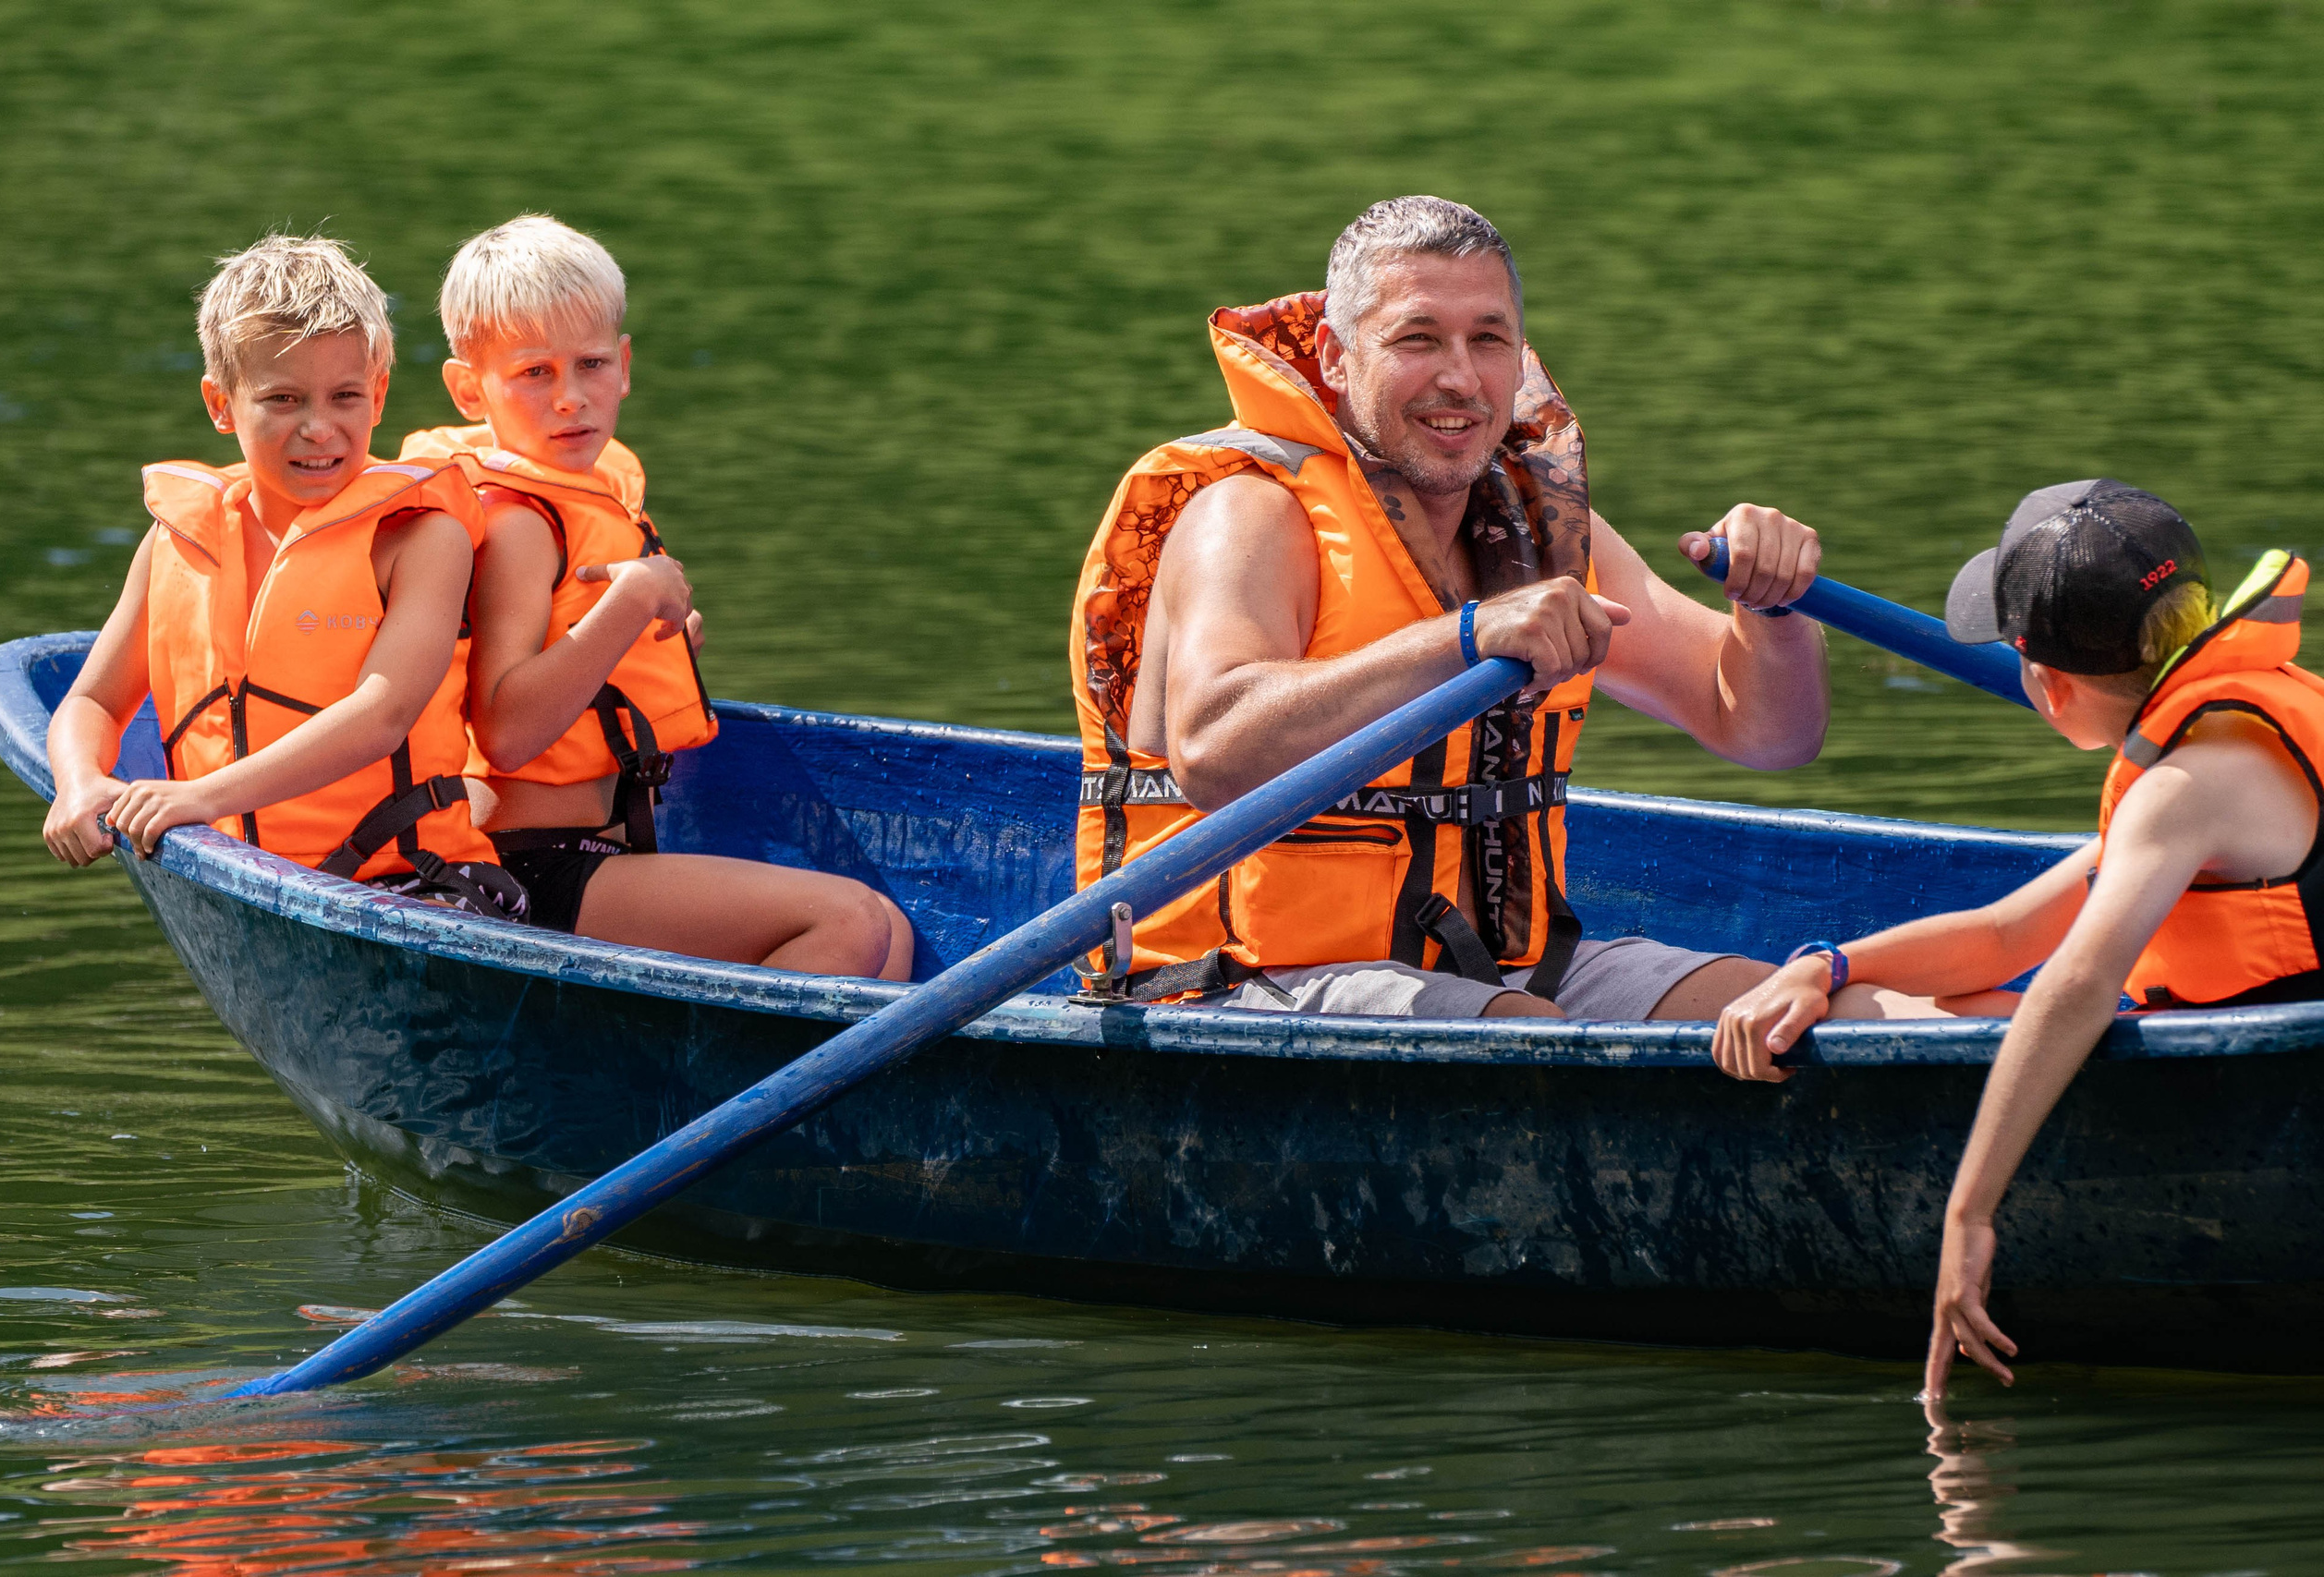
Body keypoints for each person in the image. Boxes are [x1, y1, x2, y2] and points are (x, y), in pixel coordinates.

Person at [1069, 194, 1857, 1021]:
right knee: (1528, 1034)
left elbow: (1770, 734)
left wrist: (1773, 612)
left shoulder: (1540, 529)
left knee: (1808, 1007)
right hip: (1240, 982)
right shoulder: (1251, 513)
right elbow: (1212, 749)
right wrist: (1468, 638)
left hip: (1506, 967)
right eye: (1418, 339)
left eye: (1488, 339)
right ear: (1336, 356)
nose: (1460, 377)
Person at [1706, 479, 2320, 1395]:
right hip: (2261, 1049)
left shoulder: (2177, 792)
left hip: (2254, 1096)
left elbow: (2073, 984)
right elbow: (2006, 935)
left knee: (1887, 1015)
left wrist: (1968, 1216)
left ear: (2049, 685)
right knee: (1898, 992)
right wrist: (1828, 964)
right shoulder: (2258, 715)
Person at [400, 215, 911, 977]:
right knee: (854, 920)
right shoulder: (518, 523)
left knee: (891, 931)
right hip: (530, 868)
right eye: (534, 373)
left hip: (600, 853)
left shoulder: (583, 496)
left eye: (591, 364)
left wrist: (645, 645)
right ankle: (734, 1065)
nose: (570, 397)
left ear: (625, 365)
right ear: (469, 389)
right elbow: (505, 731)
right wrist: (632, 603)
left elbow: (574, 657)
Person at [42, 233, 525, 918]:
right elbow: (92, 701)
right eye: (284, 399)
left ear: (379, 395)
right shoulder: (175, 540)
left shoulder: (420, 537)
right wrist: (79, 780)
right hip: (235, 875)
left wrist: (201, 797)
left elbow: (384, 716)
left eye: (345, 396)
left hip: (414, 880)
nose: (319, 427)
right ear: (220, 403)